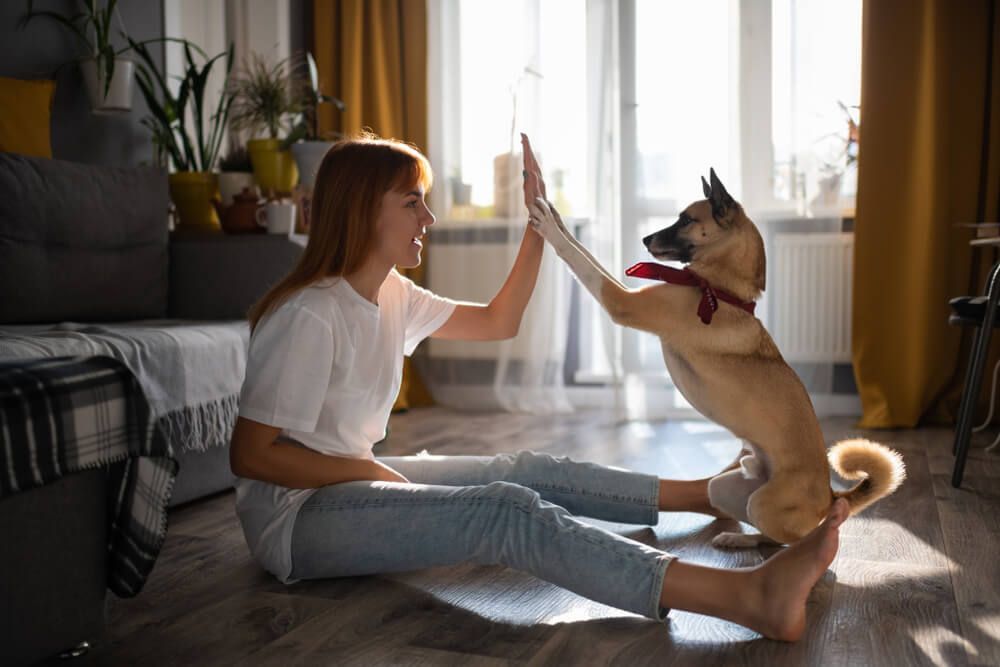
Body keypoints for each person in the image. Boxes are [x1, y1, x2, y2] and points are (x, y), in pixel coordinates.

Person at [229, 132, 848, 642]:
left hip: (349, 478)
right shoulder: (310, 313)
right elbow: (254, 456)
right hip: (296, 519)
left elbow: (499, 321)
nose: (429, 217)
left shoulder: (392, 293)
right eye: (413, 202)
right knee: (505, 510)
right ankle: (747, 596)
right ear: (364, 209)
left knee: (526, 470)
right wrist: (374, 474)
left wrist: (539, 226)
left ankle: (702, 496)